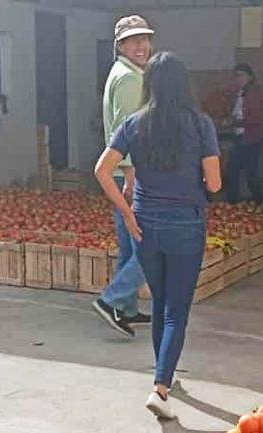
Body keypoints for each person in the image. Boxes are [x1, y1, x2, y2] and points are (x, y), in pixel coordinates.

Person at [94, 52, 222, 420]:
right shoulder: (200, 124)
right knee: (176, 310)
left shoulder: (134, 124)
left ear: (148, 84)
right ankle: (161, 387)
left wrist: (125, 210)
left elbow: (102, 170)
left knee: (161, 304)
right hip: (186, 223)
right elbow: (214, 183)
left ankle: (161, 374)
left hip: (144, 224)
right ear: (186, 84)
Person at [93, 15, 154, 337]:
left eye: (145, 39)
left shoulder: (122, 72)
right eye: (133, 40)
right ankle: (112, 299)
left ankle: (125, 308)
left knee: (131, 245)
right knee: (150, 243)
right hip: (129, 173)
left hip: (120, 173)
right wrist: (131, 176)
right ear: (120, 44)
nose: (141, 45)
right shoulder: (131, 79)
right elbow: (125, 132)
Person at [225, 63, 263, 203]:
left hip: (250, 139)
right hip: (240, 137)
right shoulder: (240, 93)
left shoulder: (253, 93)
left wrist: (234, 122)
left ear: (250, 77)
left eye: (242, 75)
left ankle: (257, 203)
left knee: (246, 174)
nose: (239, 78)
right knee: (236, 172)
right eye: (236, 75)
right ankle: (236, 204)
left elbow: (255, 118)